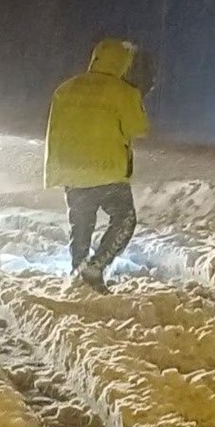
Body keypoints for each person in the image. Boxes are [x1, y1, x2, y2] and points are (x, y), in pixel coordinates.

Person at [44, 38, 149, 292]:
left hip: (72, 170)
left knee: (81, 225)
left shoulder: (65, 89)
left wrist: (56, 169)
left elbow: (54, 131)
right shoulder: (123, 91)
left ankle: (78, 270)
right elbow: (139, 127)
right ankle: (96, 267)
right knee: (124, 220)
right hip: (107, 170)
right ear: (122, 63)